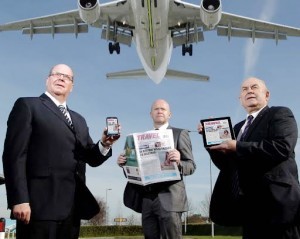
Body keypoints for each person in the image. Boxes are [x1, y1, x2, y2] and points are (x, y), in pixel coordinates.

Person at [2, 64, 120, 239]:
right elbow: (14, 155)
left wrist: (104, 143)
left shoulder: (79, 120)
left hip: (71, 209)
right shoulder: (28, 105)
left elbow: (91, 158)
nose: (61, 78)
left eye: (67, 77)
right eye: (56, 74)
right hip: (38, 206)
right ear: (47, 80)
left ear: (72, 86)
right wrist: (19, 199)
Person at [198, 77, 300, 239]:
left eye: (254, 87)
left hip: (277, 204)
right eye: (244, 89)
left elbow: (282, 147)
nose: (249, 91)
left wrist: (237, 146)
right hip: (248, 206)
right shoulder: (237, 128)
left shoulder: (280, 113)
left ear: (267, 95)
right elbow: (228, 166)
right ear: (240, 99)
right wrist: (212, 144)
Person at [117, 99, 196, 239]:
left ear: (169, 114)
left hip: (170, 199)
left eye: (163, 109)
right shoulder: (139, 139)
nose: (159, 111)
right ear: (150, 114)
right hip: (147, 199)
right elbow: (135, 171)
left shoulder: (180, 133)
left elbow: (191, 166)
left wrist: (178, 162)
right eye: (156, 109)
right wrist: (125, 164)